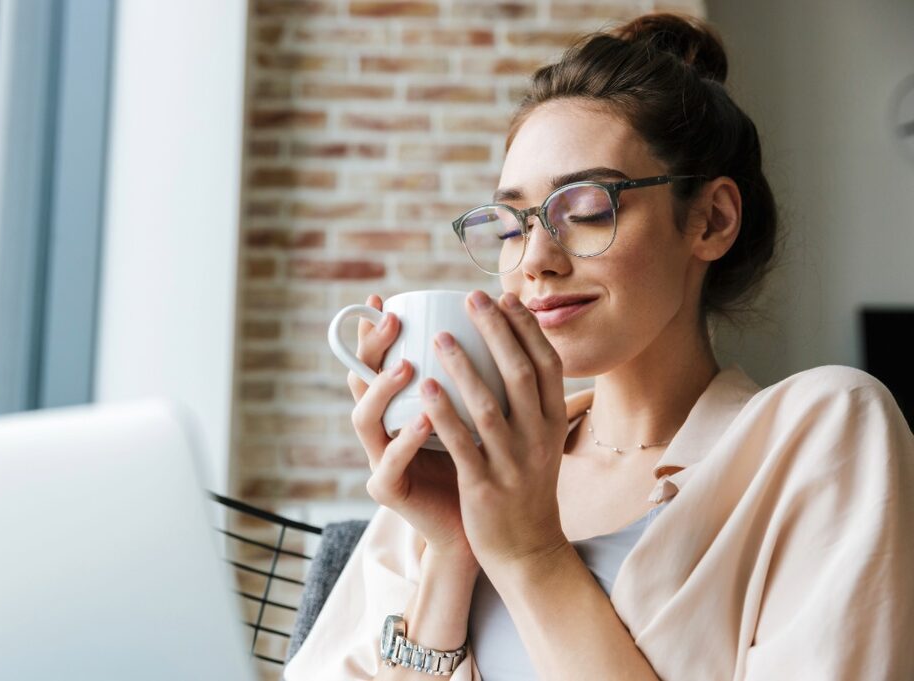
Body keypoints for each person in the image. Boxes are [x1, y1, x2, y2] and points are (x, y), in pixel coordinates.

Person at [283, 12, 914, 681]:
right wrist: (452, 550)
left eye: (585, 210)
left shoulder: (822, 434)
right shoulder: (468, 468)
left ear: (712, 219)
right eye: (511, 225)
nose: (536, 260)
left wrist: (531, 553)